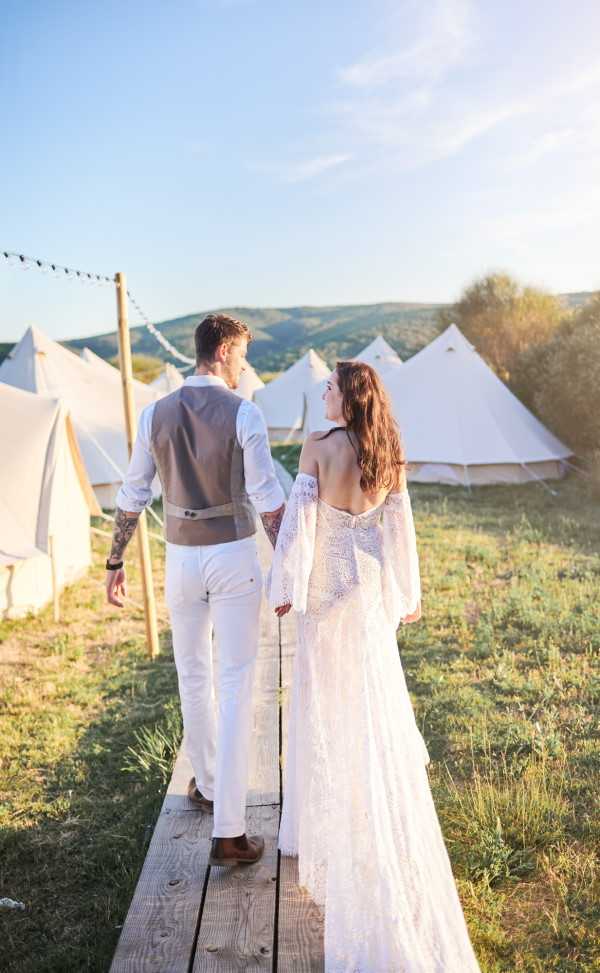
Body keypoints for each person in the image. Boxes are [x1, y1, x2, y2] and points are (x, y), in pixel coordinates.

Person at [268, 361, 481, 972]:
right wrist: (407, 596)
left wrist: (285, 585)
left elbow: (302, 526)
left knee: (324, 711)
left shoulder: (316, 447)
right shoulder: (388, 452)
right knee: (370, 709)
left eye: (330, 388)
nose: (323, 394)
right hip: (367, 599)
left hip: (324, 598)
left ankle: (330, 824)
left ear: (349, 396)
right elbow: (399, 531)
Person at [105, 313, 286, 866]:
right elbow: (267, 497)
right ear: (226, 349)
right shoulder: (243, 412)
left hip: (180, 560)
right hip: (232, 557)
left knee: (193, 675)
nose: (243, 366)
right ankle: (229, 831)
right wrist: (287, 562)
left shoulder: (153, 413)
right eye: (243, 356)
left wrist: (114, 560)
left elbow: (132, 493)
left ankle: (207, 784)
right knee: (235, 684)